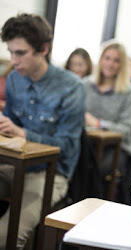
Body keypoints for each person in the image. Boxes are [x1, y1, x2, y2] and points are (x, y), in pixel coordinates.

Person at [0, 13, 85, 249]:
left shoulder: (71, 87)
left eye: (20, 53)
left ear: (44, 49)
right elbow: (12, 126)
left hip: (49, 174)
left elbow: (66, 147)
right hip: (13, 166)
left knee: (5, 236)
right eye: (10, 52)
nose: (13, 60)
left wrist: (22, 133)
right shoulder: (16, 79)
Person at [84, 40, 131, 201]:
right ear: (100, 60)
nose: (110, 64)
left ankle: (92, 207)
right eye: (107, 58)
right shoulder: (85, 84)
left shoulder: (129, 92)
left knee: (94, 168)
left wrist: (99, 124)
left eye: (116, 60)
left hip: (116, 148)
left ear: (122, 65)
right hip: (87, 141)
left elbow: (125, 129)